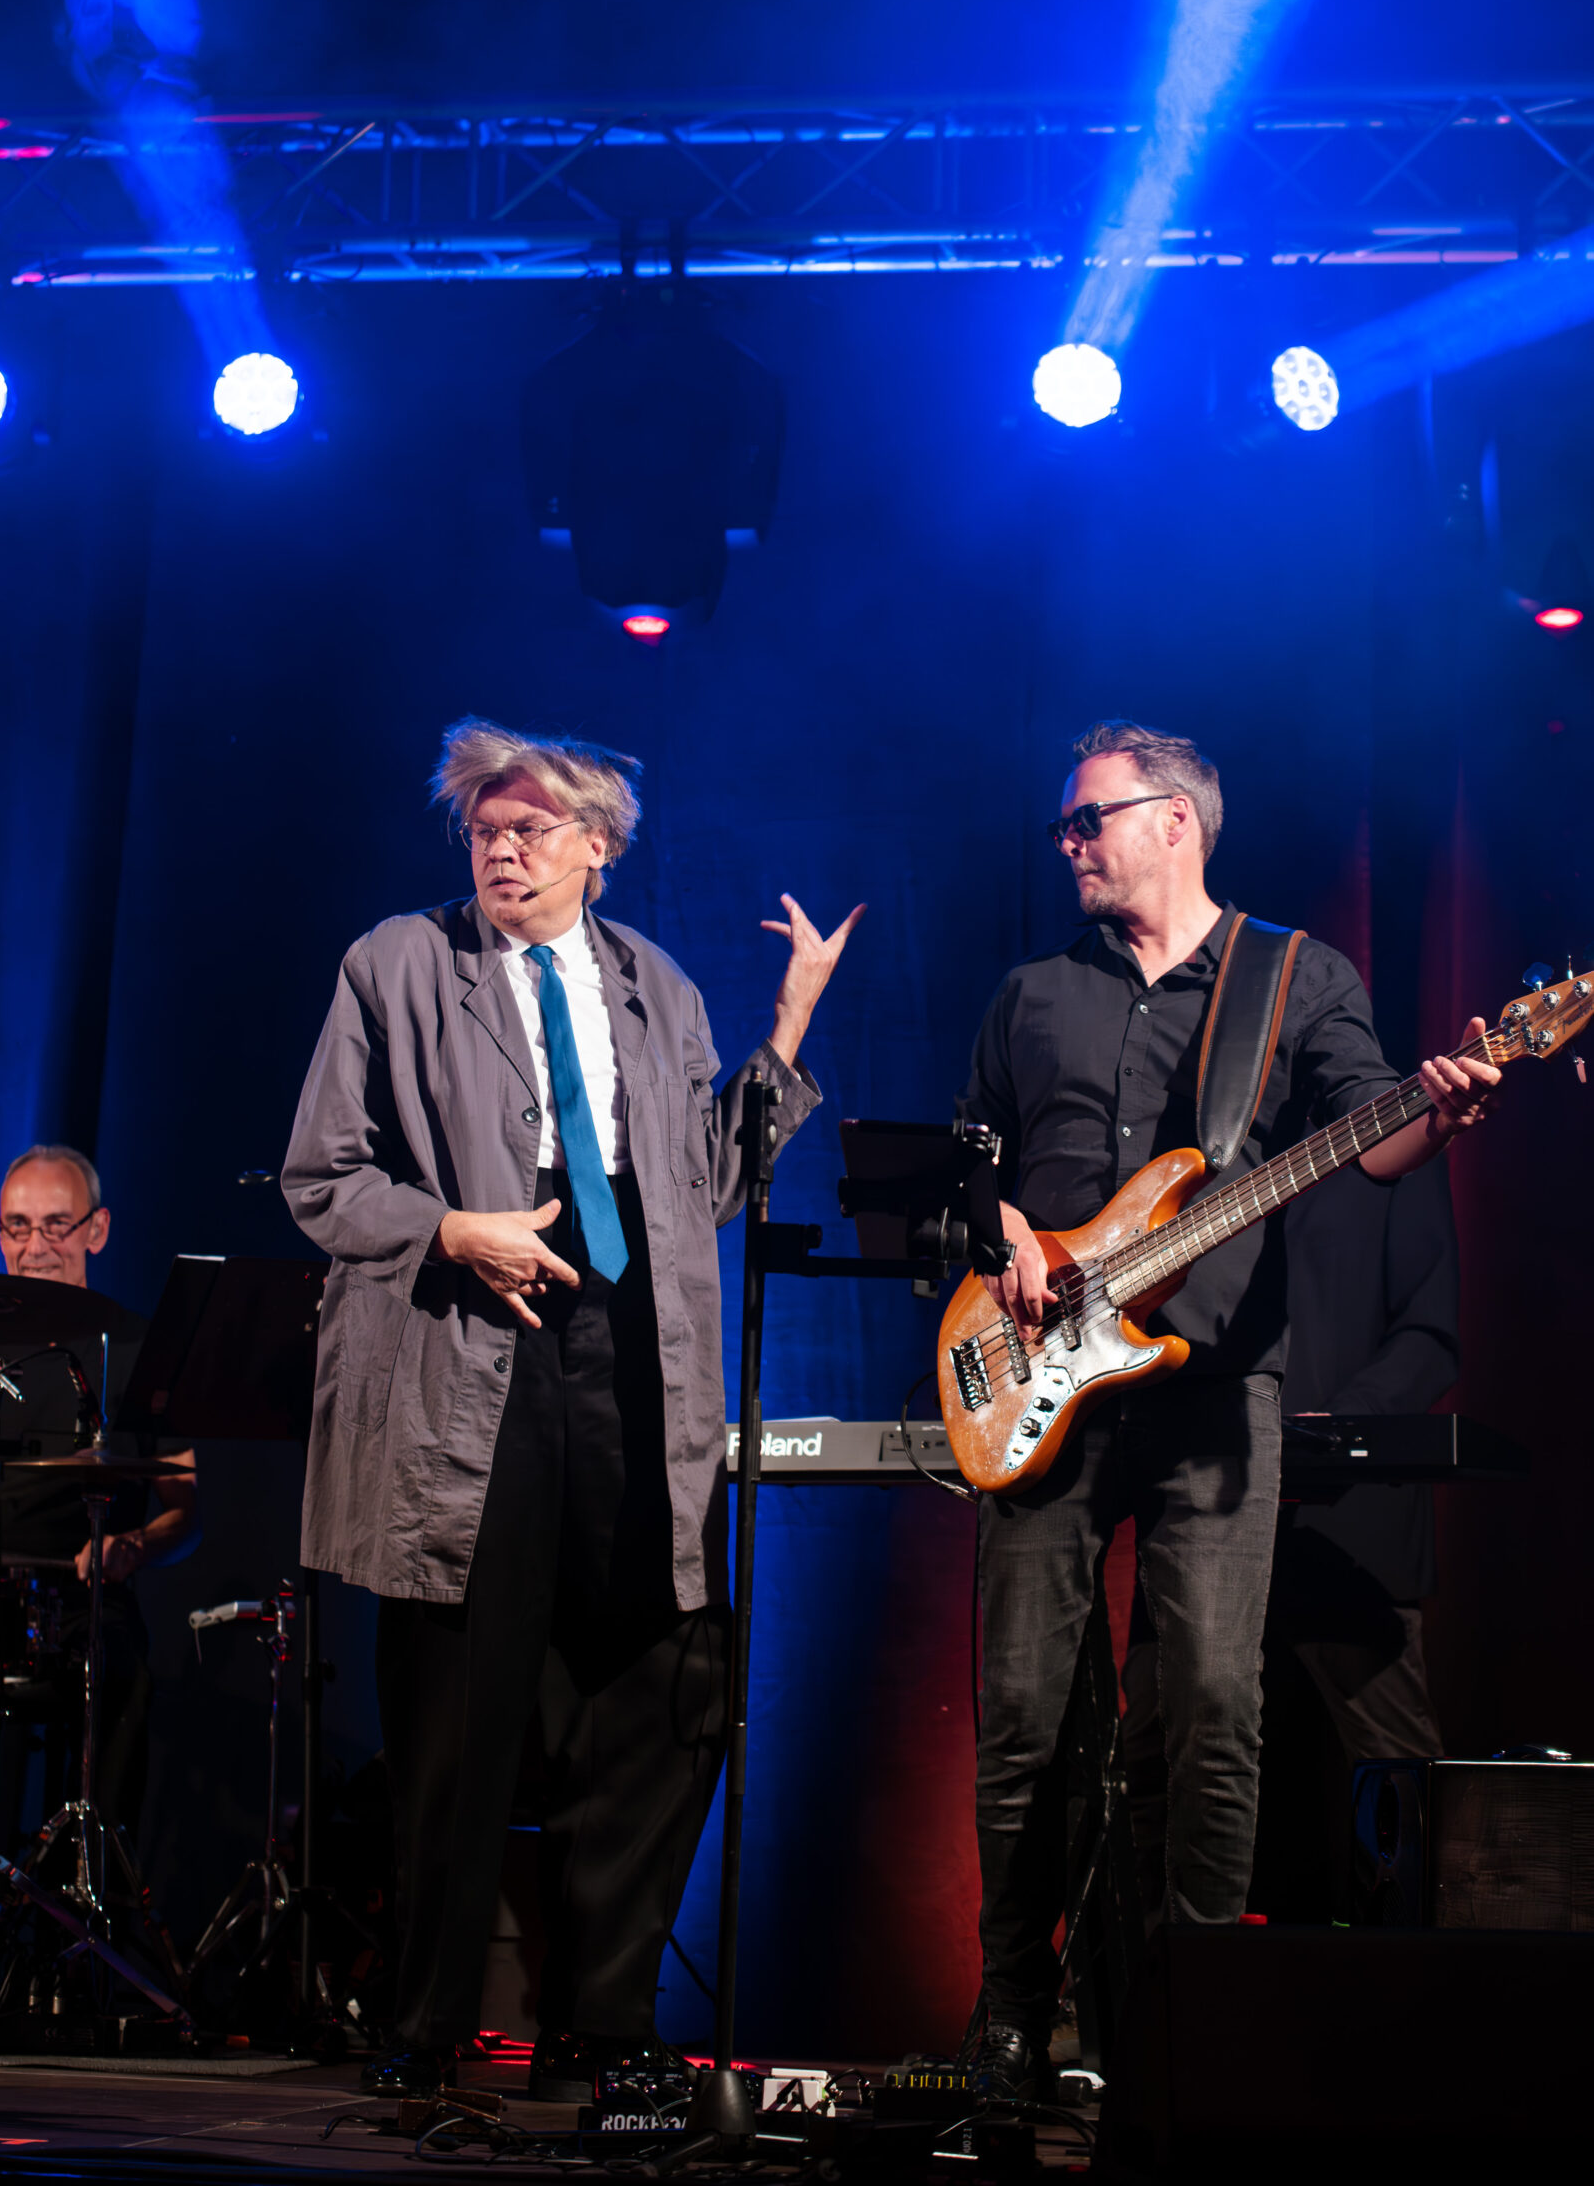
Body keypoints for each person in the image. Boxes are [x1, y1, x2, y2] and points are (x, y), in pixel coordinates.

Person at [281, 718, 862, 2101]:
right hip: (472, 1352)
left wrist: (788, 1024)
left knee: (664, 1684)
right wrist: (449, 1229)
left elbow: (707, 1189)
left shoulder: (656, 986)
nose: (500, 851)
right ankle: (428, 2020)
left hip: (632, 1357)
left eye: (529, 829)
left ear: (598, 846)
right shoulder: (398, 963)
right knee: (455, 1714)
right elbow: (322, 1177)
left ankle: (602, 2016)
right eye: (483, 830)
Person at [955, 720, 1496, 2097]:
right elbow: (969, 1169)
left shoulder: (1295, 977)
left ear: (1174, 820)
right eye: (1064, 824)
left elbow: (1374, 1138)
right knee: (1020, 1711)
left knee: (1210, 1704)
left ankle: (1196, 2018)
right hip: (1040, 1385)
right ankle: (1010, 2014)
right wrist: (1000, 1231)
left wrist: (1437, 1108)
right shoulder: (1032, 993)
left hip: (1212, 1389)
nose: (1067, 843)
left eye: (1087, 819)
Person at [1123, 1158, 1459, 1922]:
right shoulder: (1205, 1146)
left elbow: (1429, 1334)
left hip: (1345, 1519)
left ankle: (1419, 1983)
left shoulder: (1391, 1141)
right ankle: (1140, 1979)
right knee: (1147, 1760)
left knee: (1396, 1779)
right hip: (1202, 1492)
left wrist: (1327, 1433)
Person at [0, 1145, 199, 1851]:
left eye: (57, 1225)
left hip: (88, 1603)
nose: (35, 1246)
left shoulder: (138, 1347)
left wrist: (132, 1545)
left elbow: (186, 1515)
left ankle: (94, 1885)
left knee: (120, 1680)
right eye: (18, 1226)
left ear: (98, 1229)